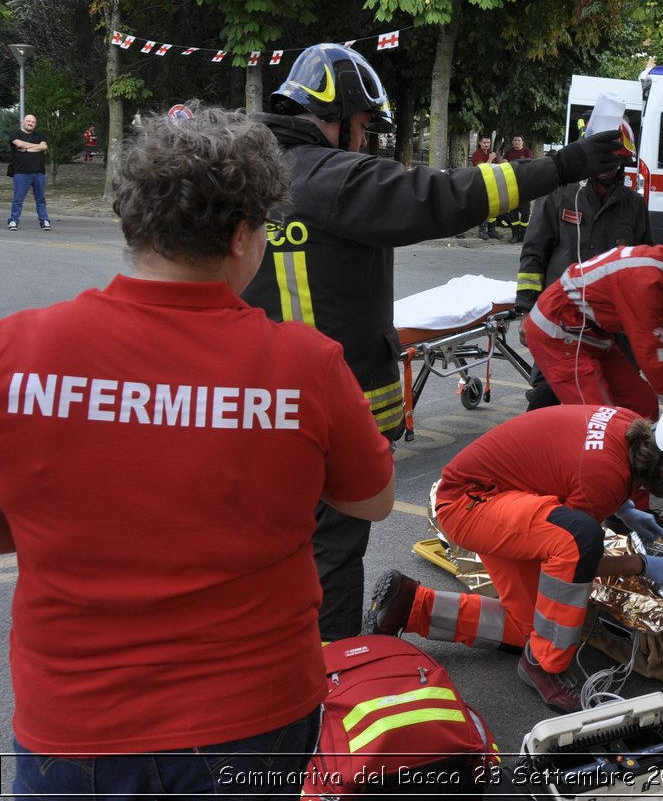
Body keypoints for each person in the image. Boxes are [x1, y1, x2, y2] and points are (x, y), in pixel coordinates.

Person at [0, 108, 394, 797]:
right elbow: (372, 498)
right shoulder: (305, 364)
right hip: (252, 715)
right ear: (241, 235)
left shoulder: (18, 352)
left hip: (73, 721)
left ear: (136, 223)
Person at [240, 43, 626, 640]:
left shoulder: (241, 174)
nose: (364, 141)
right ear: (335, 115)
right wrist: (563, 165)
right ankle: (334, 682)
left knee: (271, 551)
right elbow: (446, 196)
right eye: (364, 127)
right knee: (332, 559)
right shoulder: (326, 175)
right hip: (326, 419)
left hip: (254, 413)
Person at [365, 403, 663, 712]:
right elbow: (576, 559)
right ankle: (544, 665)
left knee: (534, 628)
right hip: (471, 504)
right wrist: (641, 566)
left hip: (501, 498)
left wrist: (625, 510)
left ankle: (412, 607)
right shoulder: (605, 475)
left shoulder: (628, 426)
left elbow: (578, 468)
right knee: (578, 542)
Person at [524, 214, 663, 420]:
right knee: (601, 421)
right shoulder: (648, 281)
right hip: (558, 335)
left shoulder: (661, 271)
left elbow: (654, 354)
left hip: (589, 336)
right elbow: (653, 359)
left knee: (643, 404)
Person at [514, 151, 653, 407]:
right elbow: (534, 254)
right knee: (546, 400)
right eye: (605, 156)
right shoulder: (561, 195)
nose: (610, 164)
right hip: (561, 320)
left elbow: (644, 269)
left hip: (615, 329)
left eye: (616, 159)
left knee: (620, 406)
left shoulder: (633, 206)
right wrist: (526, 310)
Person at [8, 113, 49, 231]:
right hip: (21, 172)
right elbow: (19, 144)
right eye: (28, 121)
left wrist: (25, 149)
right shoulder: (15, 134)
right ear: (23, 122)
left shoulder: (40, 135)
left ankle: (44, 221)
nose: (30, 123)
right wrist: (36, 147)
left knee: (40, 198)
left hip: (39, 172)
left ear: (35, 124)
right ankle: (14, 221)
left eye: (33, 122)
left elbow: (44, 147)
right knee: (18, 199)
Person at [503, 134, 536, 242]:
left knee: (525, 213)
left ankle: (524, 234)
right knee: (513, 212)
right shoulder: (508, 153)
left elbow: (529, 164)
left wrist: (513, 163)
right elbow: (504, 165)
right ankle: (515, 235)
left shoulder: (527, 152)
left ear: (522, 142)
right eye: (515, 140)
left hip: (524, 186)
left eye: (519, 140)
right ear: (512, 142)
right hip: (511, 186)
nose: (517, 142)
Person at [471, 136, 504, 239]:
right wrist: (490, 158)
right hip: (481, 184)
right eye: (484, 142)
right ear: (480, 142)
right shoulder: (477, 154)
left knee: (493, 208)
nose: (486, 145)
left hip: (493, 183)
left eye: (488, 143)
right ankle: (482, 231)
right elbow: (482, 169)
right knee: (483, 208)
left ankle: (492, 230)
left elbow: (498, 167)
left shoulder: (491, 153)